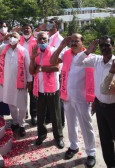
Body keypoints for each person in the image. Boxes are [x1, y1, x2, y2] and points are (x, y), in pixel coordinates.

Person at [50, 34, 96, 167]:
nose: (73, 43)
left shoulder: (89, 56)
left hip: (82, 98)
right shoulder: (66, 54)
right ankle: (74, 146)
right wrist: (61, 46)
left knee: (86, 126)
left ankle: (91, 153)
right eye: (72, 41)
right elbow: (53, 61)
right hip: (67, 95)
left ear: (82, 43)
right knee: (71, 123)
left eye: (77, 41)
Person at [75, 36, 115, 168]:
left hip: (113, 108)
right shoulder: (97, 60)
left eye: (107, 45)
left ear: (112, 46)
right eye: (102, 45)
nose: (104, 48)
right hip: (101, 107)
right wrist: (88, 50)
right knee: (105, 140)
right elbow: (77, 62)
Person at [29, 31, 64, 149]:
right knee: (40, 114)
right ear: (37, 41)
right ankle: (41, 135)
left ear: (48, 40)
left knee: (55, 114)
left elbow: (56, 67)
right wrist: (33, 59)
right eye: (40, 40)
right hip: (39, 88)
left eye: (44, 39)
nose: (42, 41)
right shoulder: (36, 52)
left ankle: (58, 137)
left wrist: (41, 68)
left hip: (53, 88)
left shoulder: (54, 51)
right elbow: (32, 71)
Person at [0, 32, 32, 137]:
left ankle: (22, 124)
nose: (12, 38)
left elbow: (28, 67)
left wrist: (29, 81)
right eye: (11, 36)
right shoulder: (4, 48)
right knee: (11, 102)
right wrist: (3, 38)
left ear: (19, 39)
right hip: (7, 82)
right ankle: (15, 122)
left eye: (15, 37)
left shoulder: (24, 50)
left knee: (22, 104)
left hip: (20, 82)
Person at [19, 23, 38, 125]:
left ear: (31, 30)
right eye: (24, 28)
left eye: (28, 28)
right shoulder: (18, 40)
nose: (26, 30)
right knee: (22, 92)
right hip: (21, 70)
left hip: (32, 69)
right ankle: (24, 112)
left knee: (33, 93)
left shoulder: (36, 41)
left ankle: (34, 115)